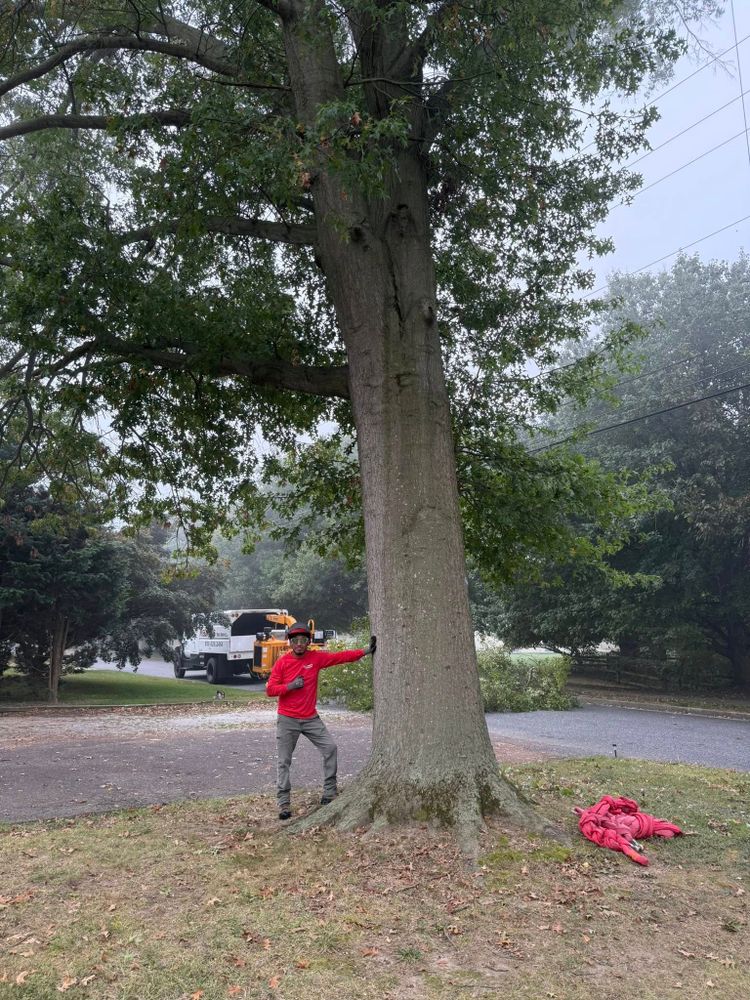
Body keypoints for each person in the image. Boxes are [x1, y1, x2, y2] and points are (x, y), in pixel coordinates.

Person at [266, 622, 376, 820]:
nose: (299, 644)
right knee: (284, 761)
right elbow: (270, 690)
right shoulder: (282, 662)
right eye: (295, 640)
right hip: (287, 719)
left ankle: (329, 792)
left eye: (303, 640)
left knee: (330, 748)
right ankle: (283, 803)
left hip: (310, 718)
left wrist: (365, 651)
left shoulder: (315, 658)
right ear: (290, 642)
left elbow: (340, 657)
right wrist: (290, 686)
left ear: (308, 642)